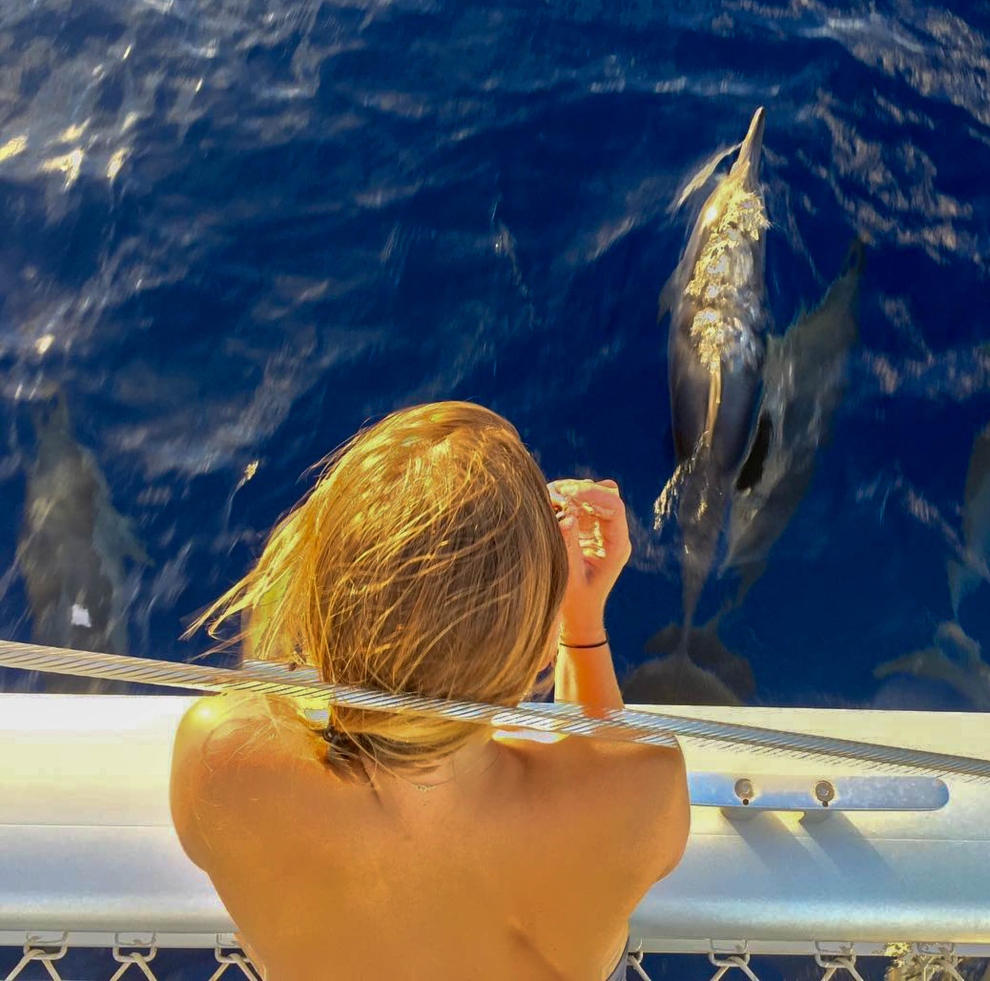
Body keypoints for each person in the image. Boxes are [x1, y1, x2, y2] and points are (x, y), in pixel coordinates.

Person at [169, 401, 689, 980]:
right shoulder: (645, 789)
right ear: (540, 652)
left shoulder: (218, 759)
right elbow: (596, 772)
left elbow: (261, 700)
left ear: (319, 603)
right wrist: (582, 626)